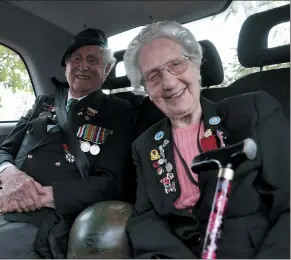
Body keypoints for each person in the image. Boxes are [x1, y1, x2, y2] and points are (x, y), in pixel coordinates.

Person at [0, 28, 133, 258]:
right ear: (66, 66)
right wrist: (11, 177)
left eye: (92, 60)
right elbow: (2, 151)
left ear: (107, 69)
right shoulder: (44, 103)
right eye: (76, 59)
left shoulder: (118, 111)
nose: (83, 66)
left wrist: (37, 195)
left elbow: (110, 182)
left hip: (40, 216)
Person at [123, 21, 290, 259]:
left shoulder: (252, 111)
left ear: (197, 65)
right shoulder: (144, 145)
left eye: (176, 64)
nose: (169, 83)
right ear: (146, 91)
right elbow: (144, 218)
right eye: (153, 76)